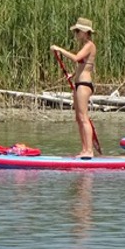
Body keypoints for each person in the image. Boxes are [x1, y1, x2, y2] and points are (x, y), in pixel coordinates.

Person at [51, 17, 98, 158]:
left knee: (84, 117)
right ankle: (84, 150)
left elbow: (77, 58)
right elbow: (84, 65)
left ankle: (89, 151)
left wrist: (59, 49)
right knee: (78, 118)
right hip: (79, 83)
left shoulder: (90, 45)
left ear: (85, 32)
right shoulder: (85, 45)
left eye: (78, 31)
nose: (76, 34)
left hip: (84, 85)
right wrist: (74, 74)